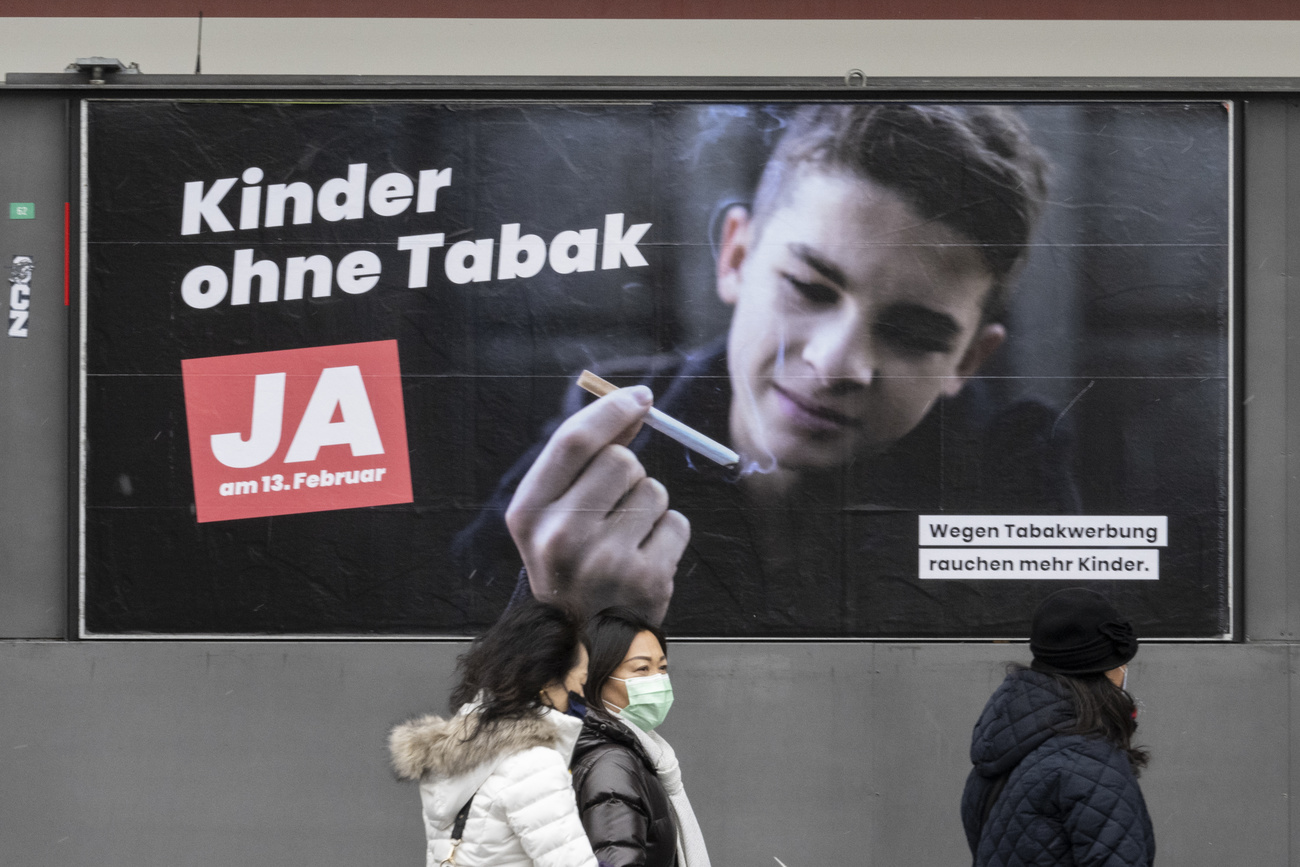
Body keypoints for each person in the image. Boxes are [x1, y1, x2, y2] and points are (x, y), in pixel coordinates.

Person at [457, 103, 1079, 636]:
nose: (836, 364)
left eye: (913, 334)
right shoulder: (600, 437)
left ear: (967, 360)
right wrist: (562, 624)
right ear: (735, 256)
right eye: (810, 289)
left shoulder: (1016, 476)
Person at [388, 599, 602, 867]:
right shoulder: (534, 764)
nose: (582, 695)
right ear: (547, 682)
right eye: (581, 681)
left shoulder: (447, 753)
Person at [961, 588, 1155, 867]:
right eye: (1121, 663)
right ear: (1105, 671)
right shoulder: (1092, 763)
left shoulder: (1000, 748)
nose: (1125, 670)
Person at [570, 607, 710, 867]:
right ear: (597, 675)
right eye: (641, 669)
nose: (657, 680)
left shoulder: (636, 752)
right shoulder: (612, 765)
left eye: (662, 667)